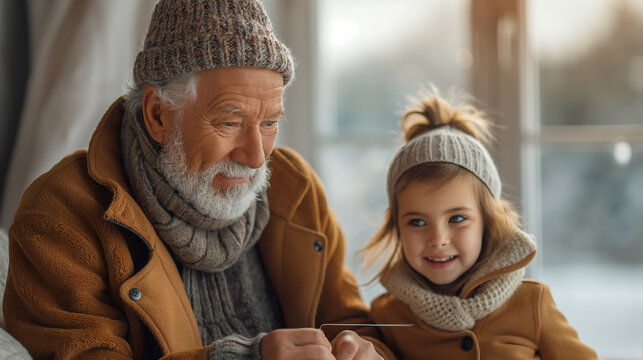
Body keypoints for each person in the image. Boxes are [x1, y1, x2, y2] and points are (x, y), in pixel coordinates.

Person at [2, 0, 393, 359]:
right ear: (158, 116)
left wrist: (366, 351)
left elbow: (358, 327)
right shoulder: (61, 211)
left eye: (270, 122)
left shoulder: (296, 188)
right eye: (230, 122)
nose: (257, 157)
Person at [362, 89, 598, 359]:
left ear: (488, 222)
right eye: (417, 222)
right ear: (396, 229)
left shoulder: (530, 303)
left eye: (457, 219)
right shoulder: (387, 315)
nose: (438, 238)